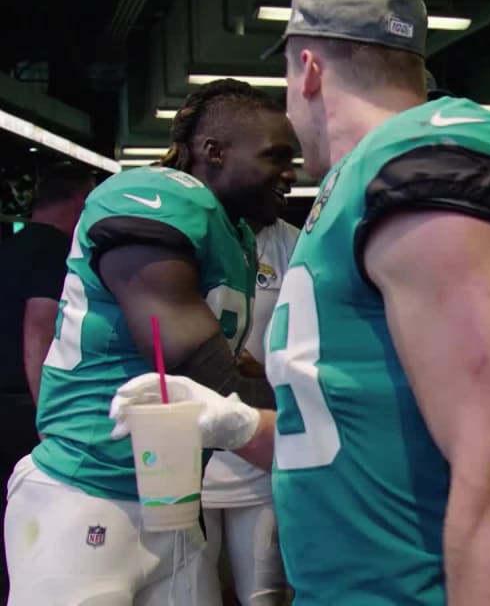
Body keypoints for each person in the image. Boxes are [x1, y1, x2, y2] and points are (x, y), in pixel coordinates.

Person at [112, 0, 490, 604]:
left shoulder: (416, 168)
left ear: (309, 69)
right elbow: (349, 434)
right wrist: (232, 425)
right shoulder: (358, 191)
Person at [3, 78, 296, 605]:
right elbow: (202, 370)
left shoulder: (237, 234)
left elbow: (231, 364)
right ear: (214, 152)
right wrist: (319, 414)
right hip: (87, 490)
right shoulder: (155, 197)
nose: (289, 175)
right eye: (275, 157)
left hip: (173, 499)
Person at [0, 162, 94, 601]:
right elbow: (38, 327)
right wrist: (48, 415)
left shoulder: (9, 247)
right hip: (24, 408)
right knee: (31, 531)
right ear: (79, 204)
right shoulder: (55, 251)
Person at [199, 215, 300, 606]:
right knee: (190, 591)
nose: (285, 179)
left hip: (260, 444)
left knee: (265, 595)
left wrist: (269, 372)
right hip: (194, 453)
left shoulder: (292, 242)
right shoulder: (193, 235)